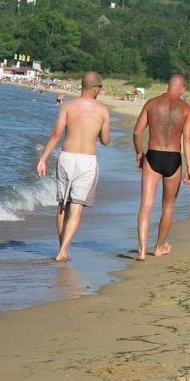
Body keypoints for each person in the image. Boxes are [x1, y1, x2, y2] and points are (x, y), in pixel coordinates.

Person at [36, 72, 111, 262]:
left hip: (66, 157)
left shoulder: (68, 106)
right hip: (87, 160)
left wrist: (43, 159)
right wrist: (98, 131)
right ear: (96, 88)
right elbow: (106, 140)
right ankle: (63, 250)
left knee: (63, 205)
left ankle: (62, 247)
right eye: (100, 88)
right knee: (77, 206)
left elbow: (56, 134)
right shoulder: (102, 110)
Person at [132, 73, 190, 261]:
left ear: (168, 85)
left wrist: (139, 153)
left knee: (146, 204)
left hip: (153, 155)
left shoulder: (151, 104)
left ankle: (142, 251)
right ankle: (159, 247)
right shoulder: (187, 110)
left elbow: (136, 133)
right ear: (183, 89)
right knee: (168, 206)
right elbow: (188, 140)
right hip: (173, 158)